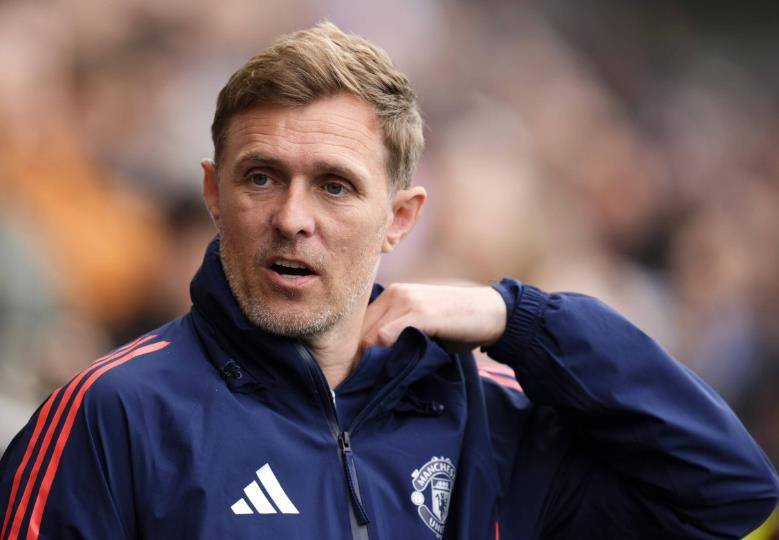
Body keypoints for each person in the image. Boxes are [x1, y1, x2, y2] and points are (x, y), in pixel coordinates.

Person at [1, 22, 777, 540]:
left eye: (334, 186)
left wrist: (520, 318)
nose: (292, 218)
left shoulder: (489, 415)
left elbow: (730, 493)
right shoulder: (113, 414)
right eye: (261, 177)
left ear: (400, 219)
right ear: (212, 193)